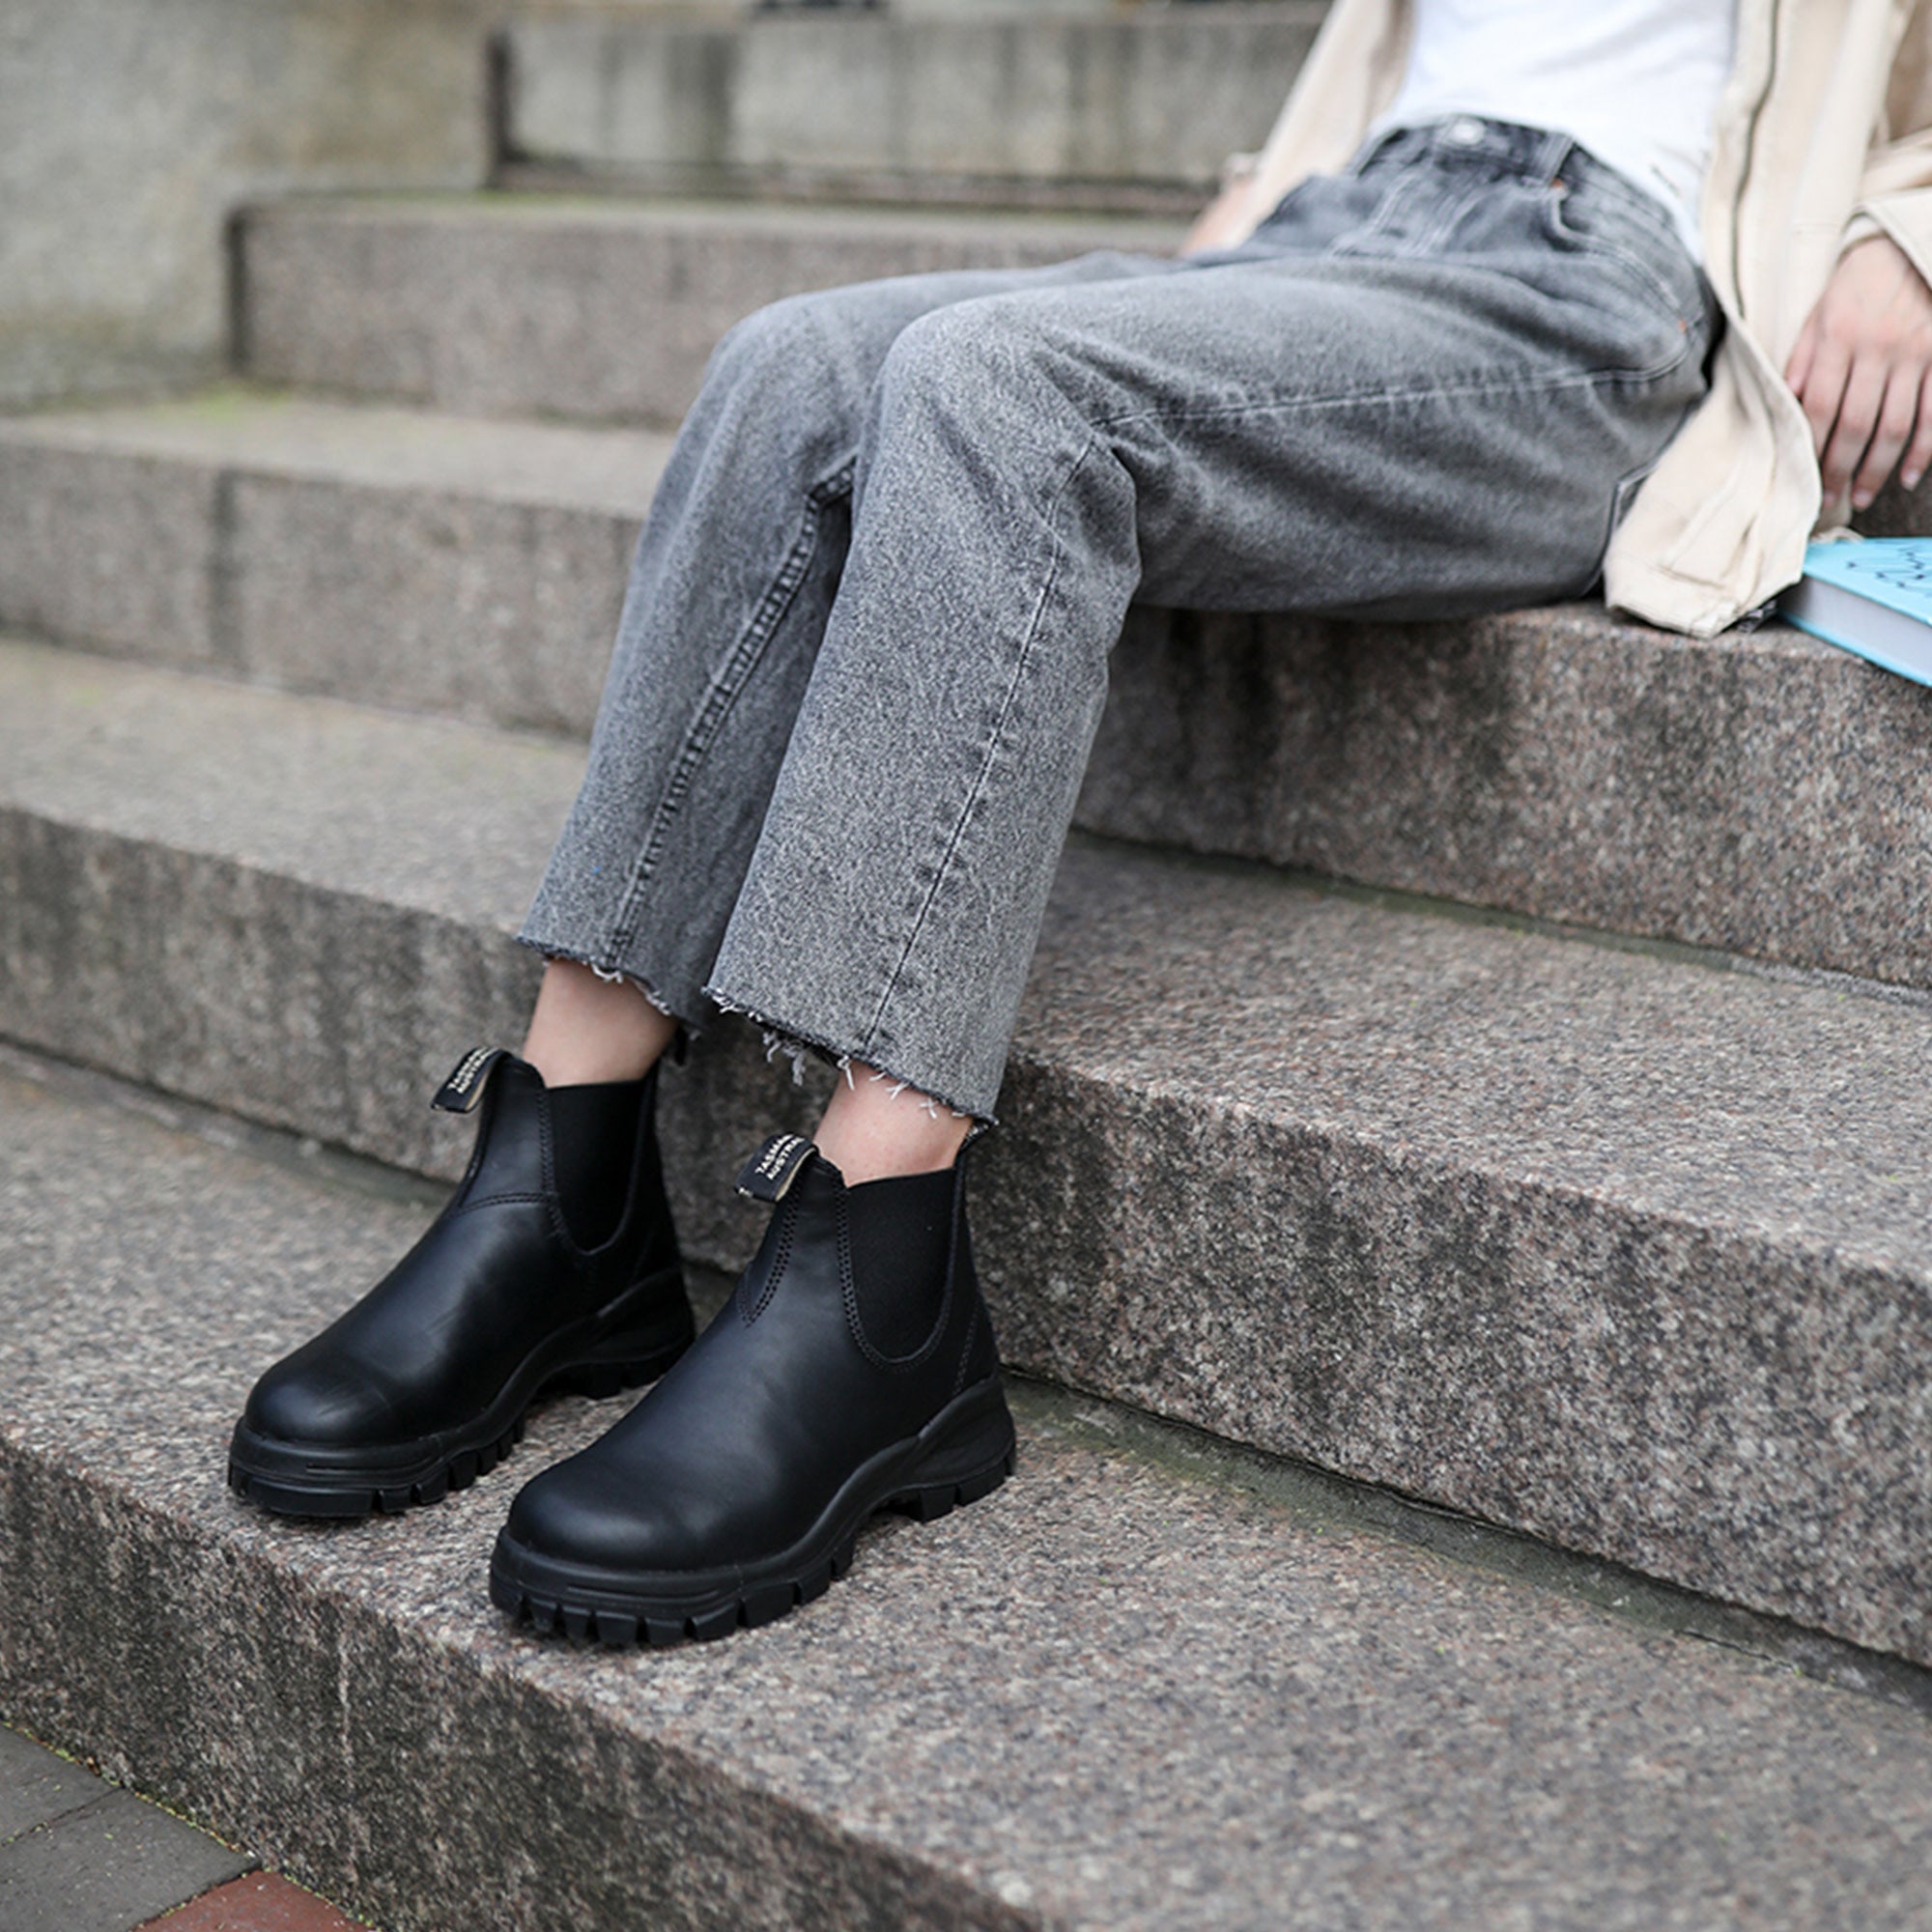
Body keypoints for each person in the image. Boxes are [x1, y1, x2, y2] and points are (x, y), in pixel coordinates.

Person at [227, 0, 1932, 1646]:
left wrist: (1910, 234)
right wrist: (1266, 207)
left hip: (1595, 288)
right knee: (793, 365)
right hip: (1346, 211)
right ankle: (567, 1189)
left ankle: (882, 1277)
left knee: (1006, 390)